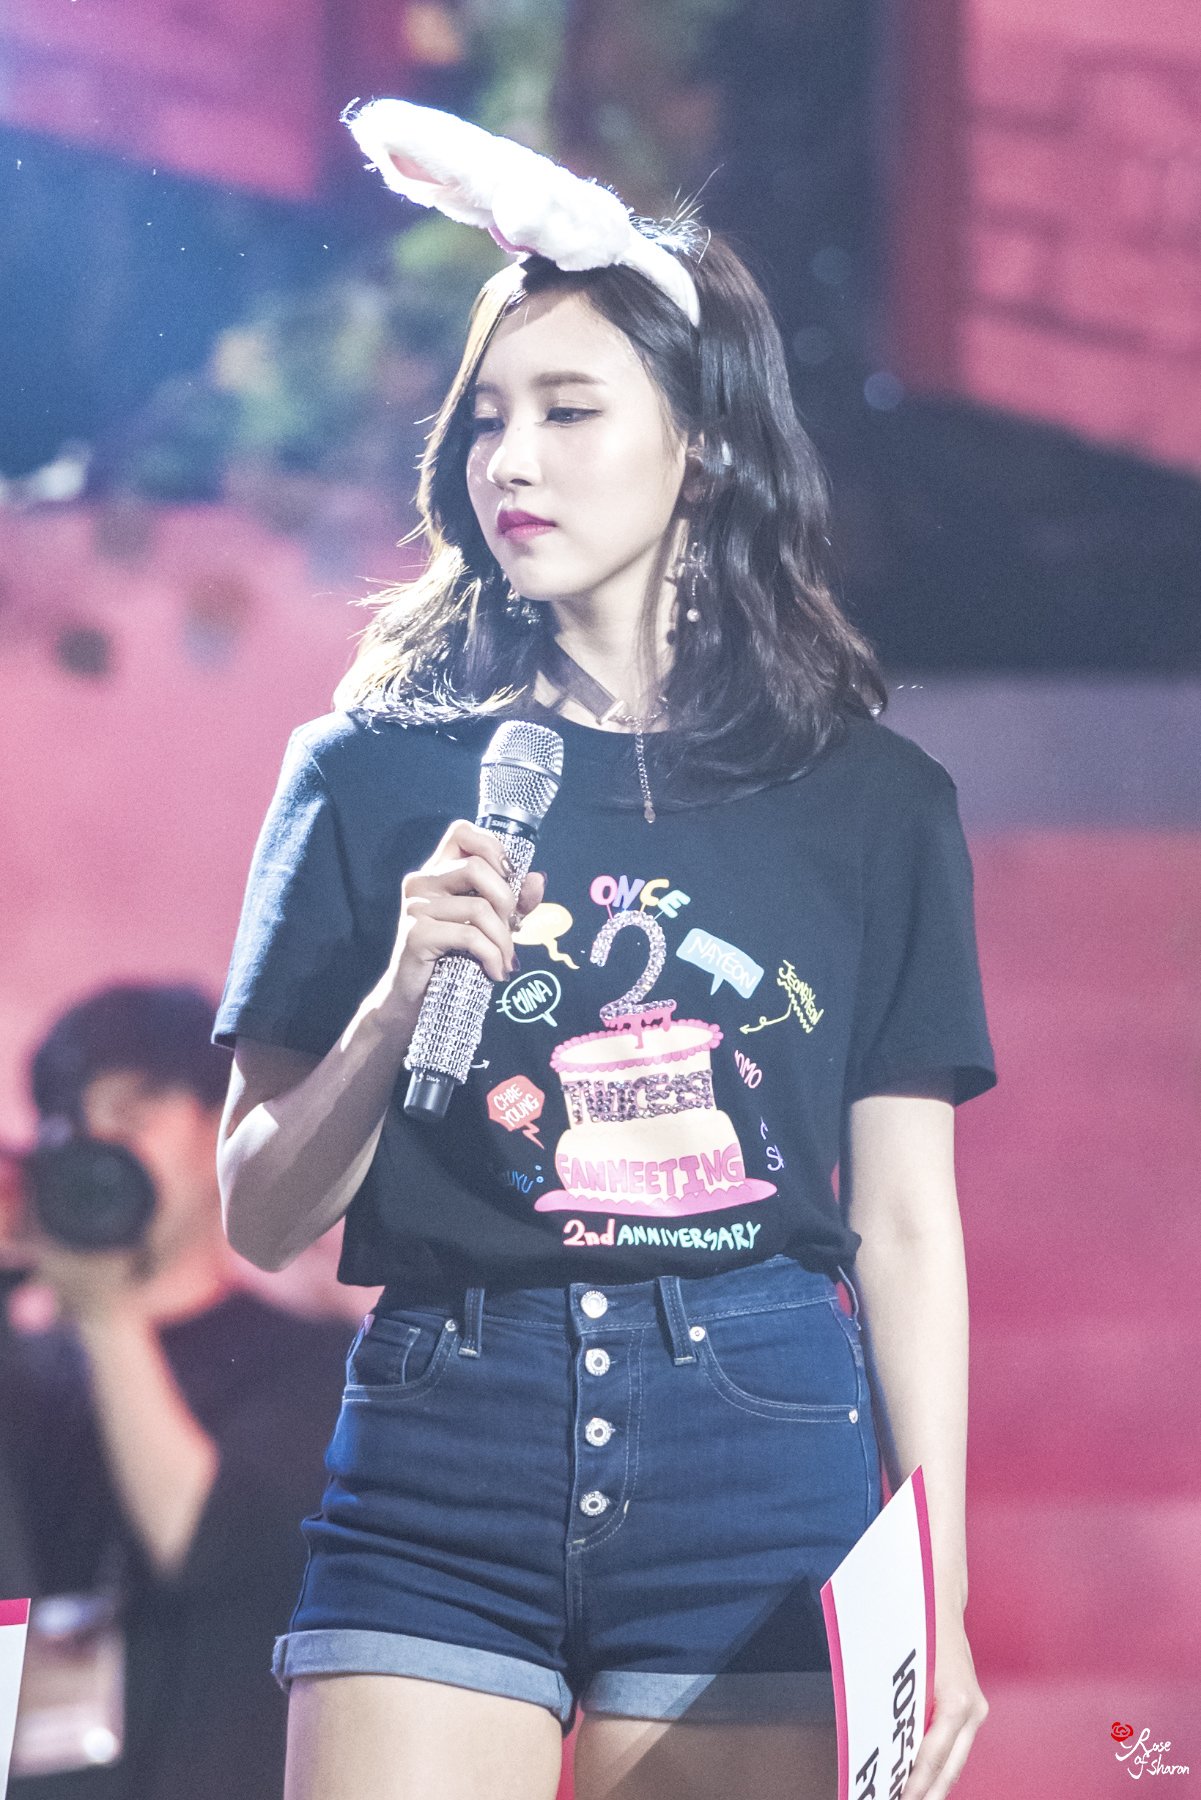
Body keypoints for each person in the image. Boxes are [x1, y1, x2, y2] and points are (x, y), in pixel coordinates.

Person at [214, 102, 997, 1800]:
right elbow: (262, 1212)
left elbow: (906, 1224)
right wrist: (394, 1003)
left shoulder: (871, 804)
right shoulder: (365, 774)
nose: (512, 461)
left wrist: (931, 1574)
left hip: (761, 1450)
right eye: (488, 420)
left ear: (699, 448)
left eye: (570, 411)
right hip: (442, 1444)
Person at [0, 983, 351, 1800]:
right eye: (70, 1129)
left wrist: (106, 1313)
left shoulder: (314, 1361)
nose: (99, 1151)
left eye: (131, 1118)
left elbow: (202, 1542)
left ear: (215, 1130)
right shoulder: (25, 1370)